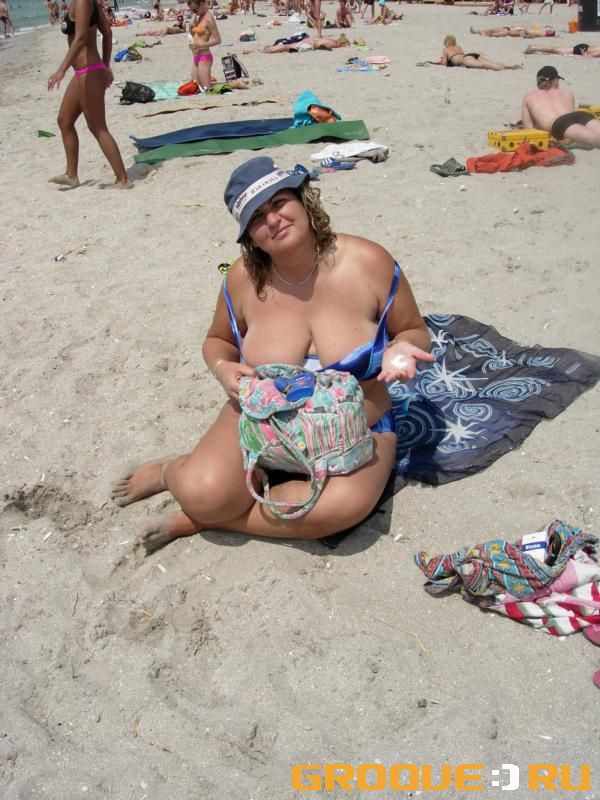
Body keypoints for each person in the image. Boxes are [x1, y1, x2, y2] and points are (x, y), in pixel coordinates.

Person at [111, 156, 435, 552]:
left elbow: (414, 330)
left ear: (302, 200)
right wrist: (223, 368)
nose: (273, 219)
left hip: (354, 429)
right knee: (202, 491)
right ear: (251, 236)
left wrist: (402, 349)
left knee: (342, 507)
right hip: (261, 418)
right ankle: (170, 473)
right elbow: (217, 340)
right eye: (257, 218)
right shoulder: (243, 278)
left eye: (279, 203)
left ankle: (201, 520)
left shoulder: (369, 262)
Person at [47, 0, 130, 188]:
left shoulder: (84, 1)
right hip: (84, 71)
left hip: (89, 71)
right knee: (64, 121)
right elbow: (107, 32)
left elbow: (81, 37)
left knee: (97, 127)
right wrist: (105, 66)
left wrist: (61, 70)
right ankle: (71, 175)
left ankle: (123, 179)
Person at [521, 65, 600, 147]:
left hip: (560, 124)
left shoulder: (529, 97)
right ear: (555, 81)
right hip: (581, 115)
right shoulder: (567, 94)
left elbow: (529, 129)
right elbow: (570, 115)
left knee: (594, 139)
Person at [187, 0, 221, 92]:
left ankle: (235, 84)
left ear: (202, 4)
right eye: (192, 11)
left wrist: (201, 45)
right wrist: (190, 29)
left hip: (204, 57)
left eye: (196, 9)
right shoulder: (198, 18)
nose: (195, 12)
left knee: (206, 89)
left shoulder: (209, 18)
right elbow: (195, 36)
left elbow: (218, 40)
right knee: (197, 88)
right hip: (196, 57)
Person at [441, 34, 522, 70]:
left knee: (481, 65)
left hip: (465, 59)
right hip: (472, 55)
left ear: (446, 42)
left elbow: (444, 63)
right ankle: (511, 66)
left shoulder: (446, 49)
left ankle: (499, 68)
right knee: (493, 62)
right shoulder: (458, 47)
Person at [263, 34, 349, 52]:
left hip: (309, 40)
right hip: (309, 44)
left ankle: (269, 48)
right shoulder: (334, 44)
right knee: (286, 47)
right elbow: (323, 46)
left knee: (288, 46)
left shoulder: (331, 39)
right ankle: (268, 50)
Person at [525, 42, 600, 58]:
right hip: (581, 50)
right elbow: (589, 56)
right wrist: (584, 54)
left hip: (584, 47)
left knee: (556, 49)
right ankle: (534, 48)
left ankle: (535, 48)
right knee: (556, 50)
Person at [470, 23, 554, 37]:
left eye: (550, 31)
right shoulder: (540, 29)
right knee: (494, 29)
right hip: (511, 28)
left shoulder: (542, 33)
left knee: (501, 32)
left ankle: (484, 34)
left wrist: (525, 32)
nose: (549, 29)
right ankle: (477, 31)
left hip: (516, 32)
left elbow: (530, 34)